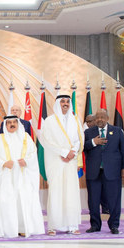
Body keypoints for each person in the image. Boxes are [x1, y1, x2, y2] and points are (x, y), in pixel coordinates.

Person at [0, 116, 45, 238]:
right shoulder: (0, 139)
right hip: (6, 177)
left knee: (23, 201)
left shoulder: (26, 137)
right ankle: (10, 230)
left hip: (23, 176)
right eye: (9, 123)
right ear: (5, 125)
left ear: (18, 123)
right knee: (8, 202)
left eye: (14, 122)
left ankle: (23, 228)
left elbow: (33, 153)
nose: (12, 124)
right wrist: (3, 163)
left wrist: (26, 161)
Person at [39, 94, 83, 235]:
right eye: (62, 101)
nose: (65, 104)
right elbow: (46, 141)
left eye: (67, 102)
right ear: (58, 103)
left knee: (71, 192)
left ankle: (72, 225)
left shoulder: (75, 119)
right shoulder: (50, 121)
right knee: (56, 192)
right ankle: (53, 226)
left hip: (70, 161)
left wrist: (72, 152)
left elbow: (79, 139)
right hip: (56, 161)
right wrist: (64, 152)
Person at [83, 109, 124, 234]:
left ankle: (114, 225)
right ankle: (95, 225)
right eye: (97, 117)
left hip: (113, 171)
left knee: (114, 200)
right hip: (94, 172)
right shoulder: (88, 132)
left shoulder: (117, 131)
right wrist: (94, 142)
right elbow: (83, 148)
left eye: (102, 117)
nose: (100, 120)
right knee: (93, 200)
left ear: (107, 118)